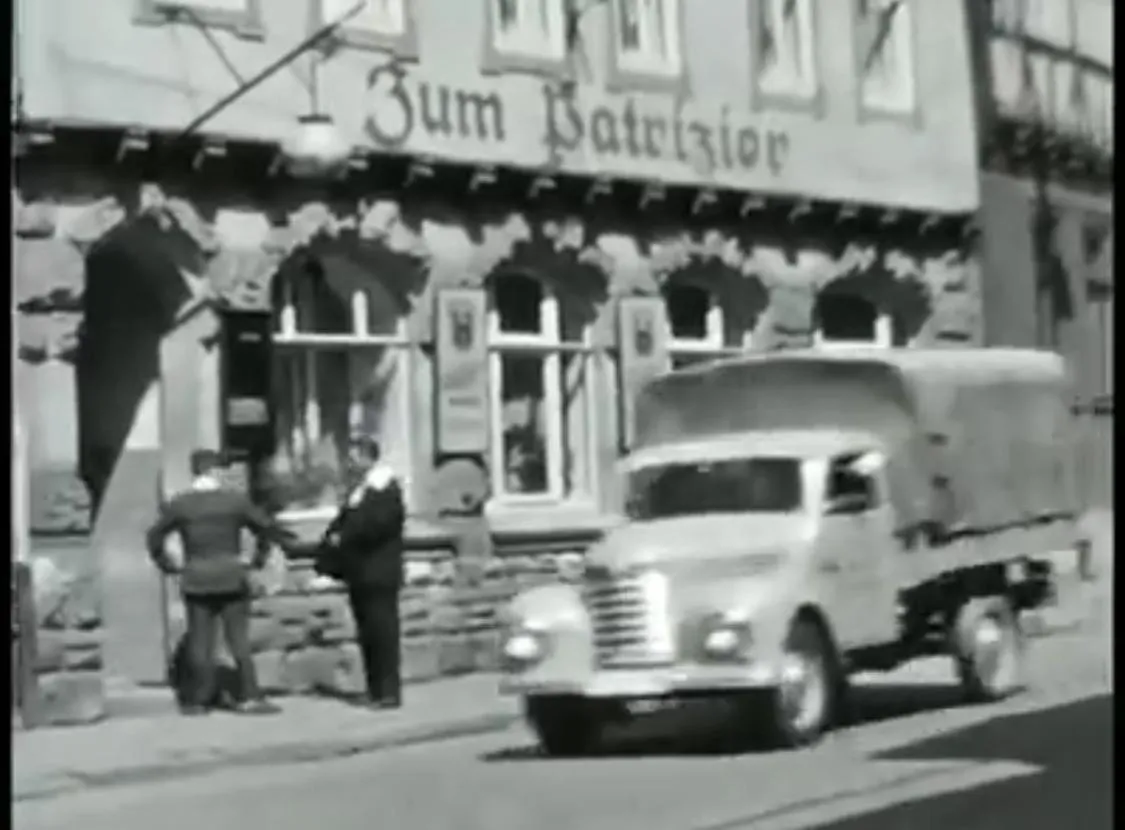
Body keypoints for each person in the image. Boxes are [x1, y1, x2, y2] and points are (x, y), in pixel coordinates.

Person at [147, 449, 295, 716]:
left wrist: (168, 564)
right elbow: (265, 528)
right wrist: (257, 560)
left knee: (200, 640)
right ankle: (249, 695)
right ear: (216, 471)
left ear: (194, 471)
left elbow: (154, 537)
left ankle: (197, 700)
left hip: (196, 574)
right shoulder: (234, 501)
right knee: (238, 638)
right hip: (231, 573)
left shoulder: (181, 504)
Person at [315, 436, 406, 710]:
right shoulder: (360, 490)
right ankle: (374, 689)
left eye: (354, 457)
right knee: (367, 634)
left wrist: (343, 537)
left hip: (379, 573)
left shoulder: (385, 489)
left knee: (383, 634)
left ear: (368, 458)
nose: (350, 463)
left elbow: (376, 526)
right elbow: (343, 522)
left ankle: (388, 692)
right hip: (360, 573)